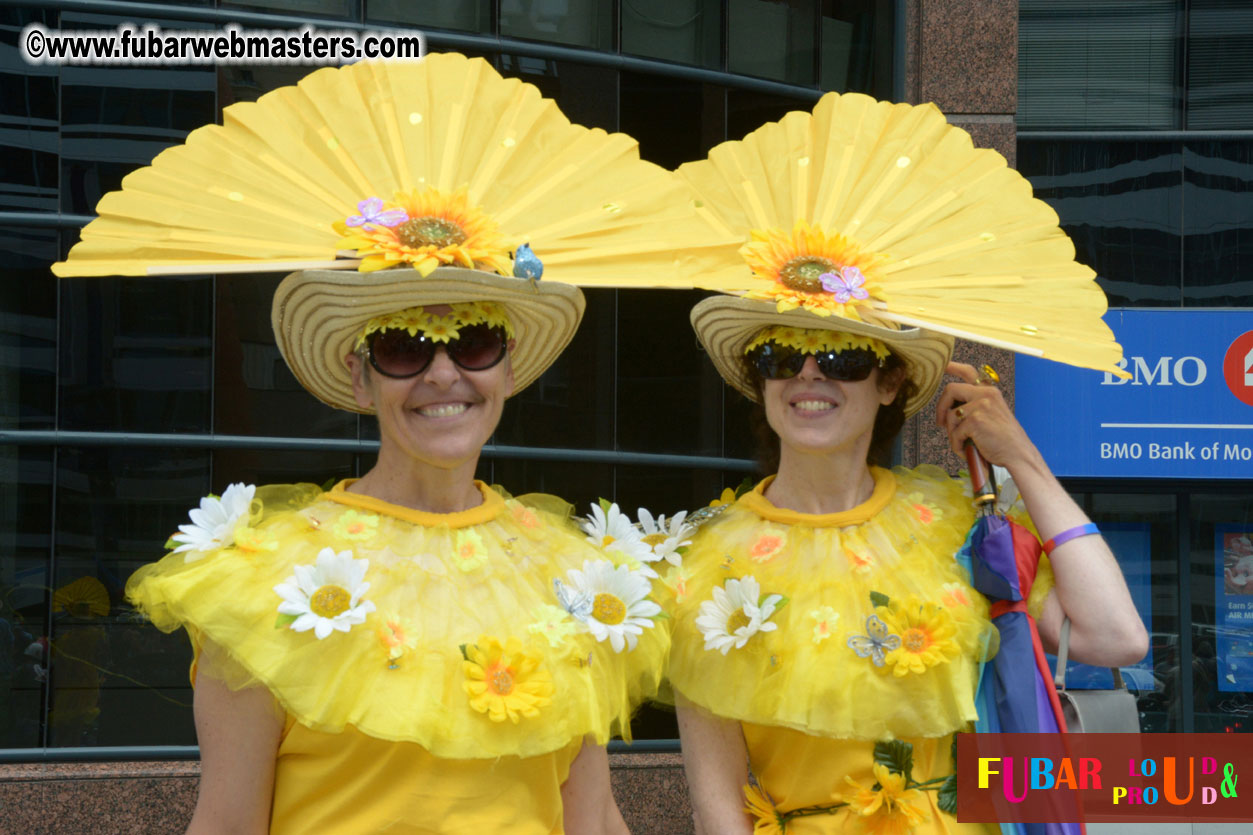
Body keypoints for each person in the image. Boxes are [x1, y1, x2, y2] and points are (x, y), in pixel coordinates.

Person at [54, 53, 730, 834]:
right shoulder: (267, 580)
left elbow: (594, 815)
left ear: (509, 367)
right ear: (358, 377)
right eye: (405, 347)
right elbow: (228, 821)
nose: (443, 374)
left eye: (472, 341)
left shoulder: (573, 576)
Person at [663, 91, 1150, 834]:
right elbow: (716, 799)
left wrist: (1020, 459)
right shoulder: (699, 560)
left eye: (842, 356)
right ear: (757, 379)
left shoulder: (957, 524)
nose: (808, 376)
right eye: (779, 355)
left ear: (889, 382)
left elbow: (1116, 637)